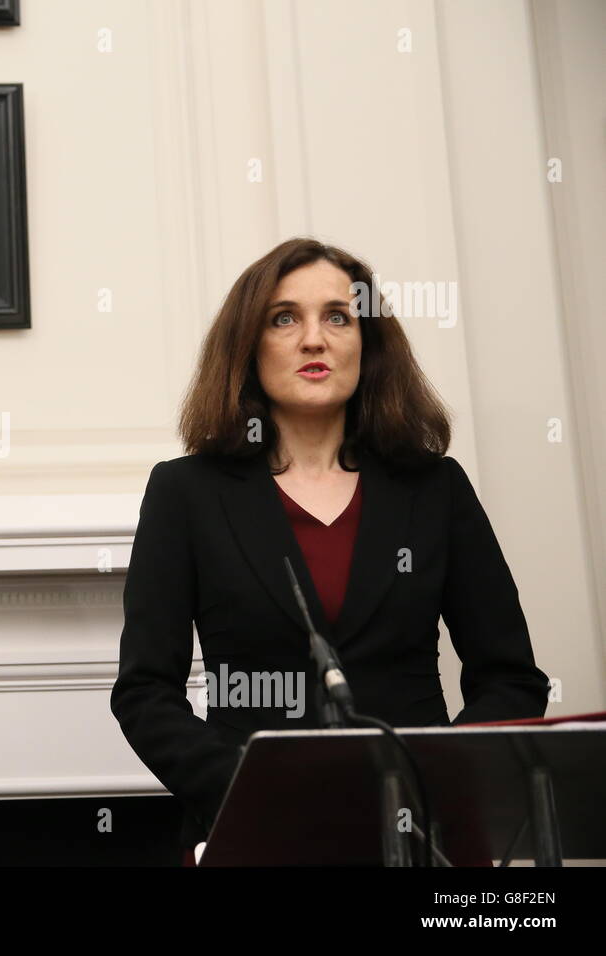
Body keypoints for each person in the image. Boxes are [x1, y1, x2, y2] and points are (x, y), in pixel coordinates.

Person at [110, 237, 549, 861]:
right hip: (255, 831)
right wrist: (251, 789)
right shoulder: (186, 492)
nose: (313, 339)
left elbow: (510, 678)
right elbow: (145, 692)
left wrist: (435, 781)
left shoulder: (436, 487)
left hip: (424, 836)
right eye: (284, 318)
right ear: (248, 346)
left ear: (366, 345)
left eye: (338, 317)